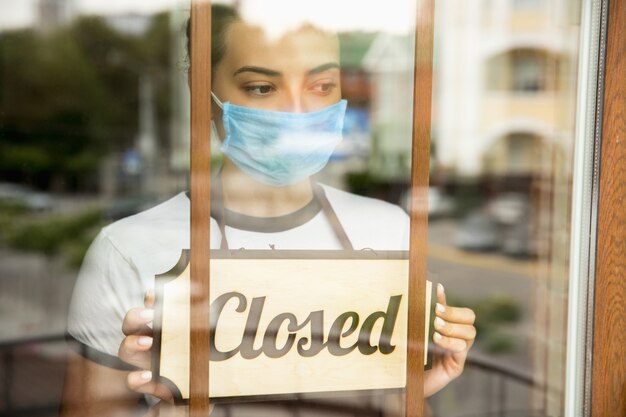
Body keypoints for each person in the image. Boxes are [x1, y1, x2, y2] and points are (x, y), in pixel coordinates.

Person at [60, 4, 476, 416]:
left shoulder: (389, 231)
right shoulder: (127, 250)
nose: (296, 111)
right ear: (199, 87)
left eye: (321, 85)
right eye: (261, 87)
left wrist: (412, 396)